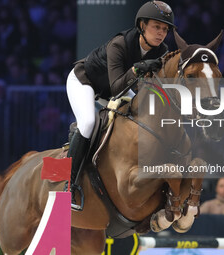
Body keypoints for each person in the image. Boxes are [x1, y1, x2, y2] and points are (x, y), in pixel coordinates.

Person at [66, 1, 175, 208]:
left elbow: (146, 89)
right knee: (88, 122)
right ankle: (69, 185)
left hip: (117, 90)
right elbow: (117, 88)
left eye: (165, 29)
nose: (161, 33)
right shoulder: (120, 44)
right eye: (156, 27)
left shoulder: (162, 51)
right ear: (142, 25)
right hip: (85, 82)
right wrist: (136, 70)